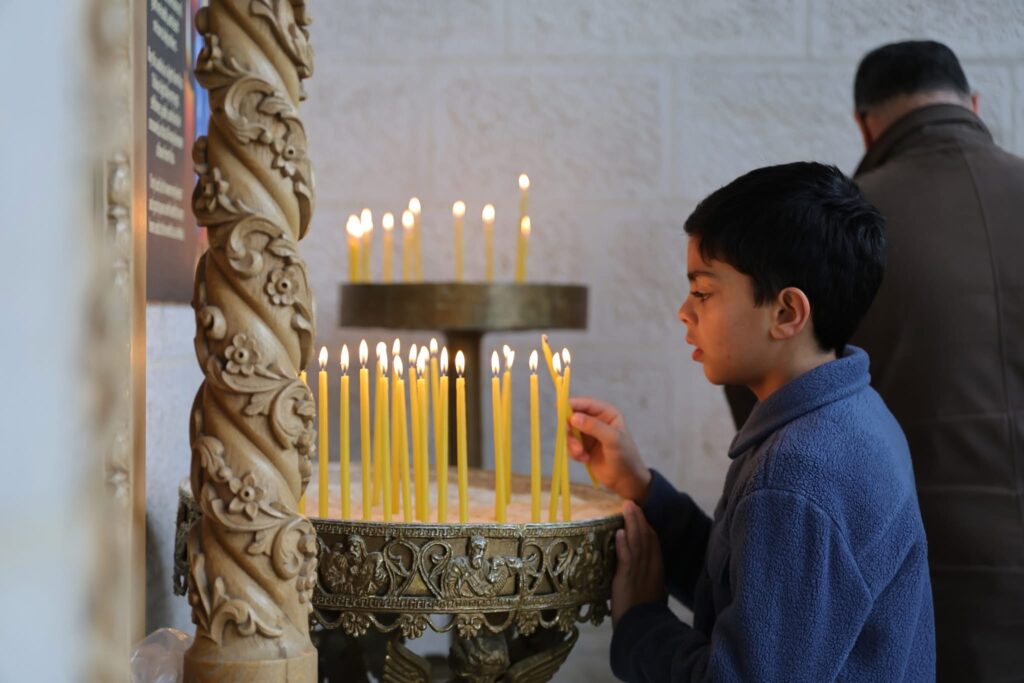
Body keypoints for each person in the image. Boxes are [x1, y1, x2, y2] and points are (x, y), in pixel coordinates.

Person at [726, 40, 1024, 681]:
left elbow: (767, 390)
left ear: (865, 123)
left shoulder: (839, 232)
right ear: (974, 104)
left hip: (916, 583)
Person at [570, 162, 935, 681]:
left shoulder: (798, 475)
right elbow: (754, 585)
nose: (683, 312)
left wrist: (640, 621)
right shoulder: (850, 414)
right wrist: (641, 488)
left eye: (702, 292)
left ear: (786, 313)